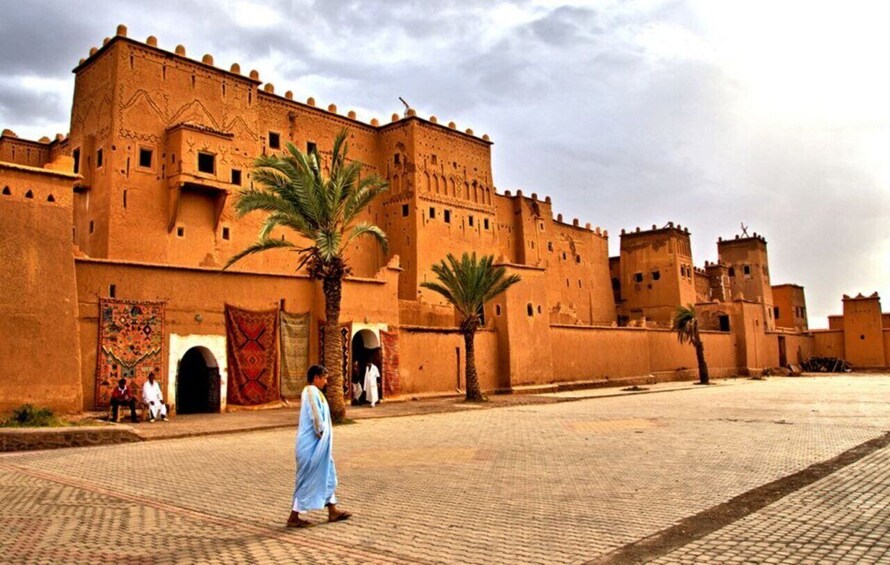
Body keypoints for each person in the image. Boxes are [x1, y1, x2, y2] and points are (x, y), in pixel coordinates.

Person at [287, 365, 351, 528]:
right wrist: (321, 432)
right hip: (311, 446)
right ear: (316, 378)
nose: (326, 381)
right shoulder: (310, 391)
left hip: (320, 447)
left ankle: (332, 510)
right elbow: (315, 415)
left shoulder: (317, 393)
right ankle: (294, 516)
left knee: (328, 474)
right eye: (324, 378)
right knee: (306, 479)